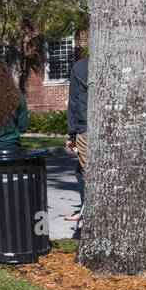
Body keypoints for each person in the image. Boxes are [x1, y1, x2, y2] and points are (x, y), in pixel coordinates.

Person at [65, 54, 89, 223]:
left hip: (85, 128)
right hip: (111, 127)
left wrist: (72, 135)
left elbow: (73, 102)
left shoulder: (80, 67)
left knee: (83, 173)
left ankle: (86, 210)